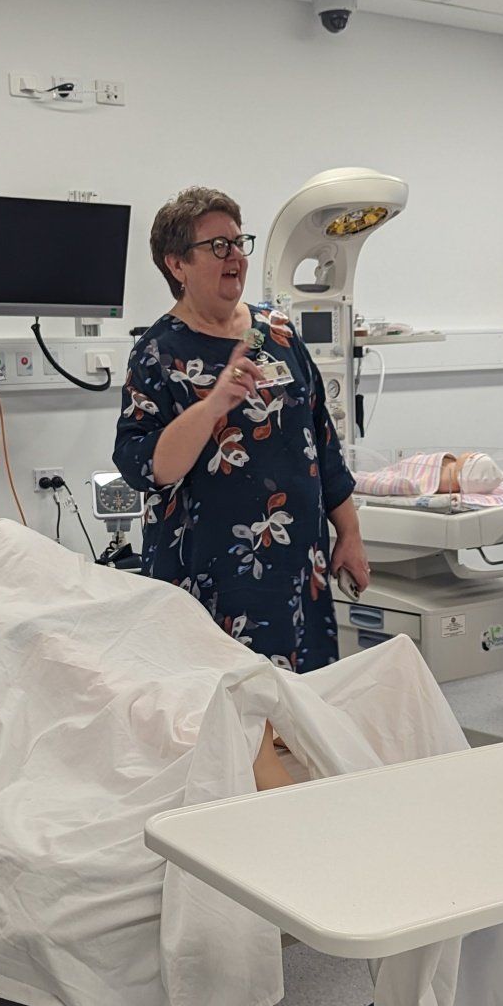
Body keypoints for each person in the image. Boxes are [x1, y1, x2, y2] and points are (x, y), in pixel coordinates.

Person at [0, 513, 299, 791]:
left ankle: (238, 701)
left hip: (59, 590)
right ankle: (203, 729)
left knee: (158, 602)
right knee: (50, 645)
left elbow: (30, 560)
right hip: (1, 616)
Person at [113, 185, 369, 676]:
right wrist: (213, 404)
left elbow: (322, 443)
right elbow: (148, 467)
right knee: (225, 718)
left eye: (237, 242)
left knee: (301, 713)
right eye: (216, 246)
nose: (233, 256)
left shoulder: (277, 334)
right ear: (176, 265)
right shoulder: (157, 354)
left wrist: (350, 534)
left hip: (298, 567)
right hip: (211, 575)